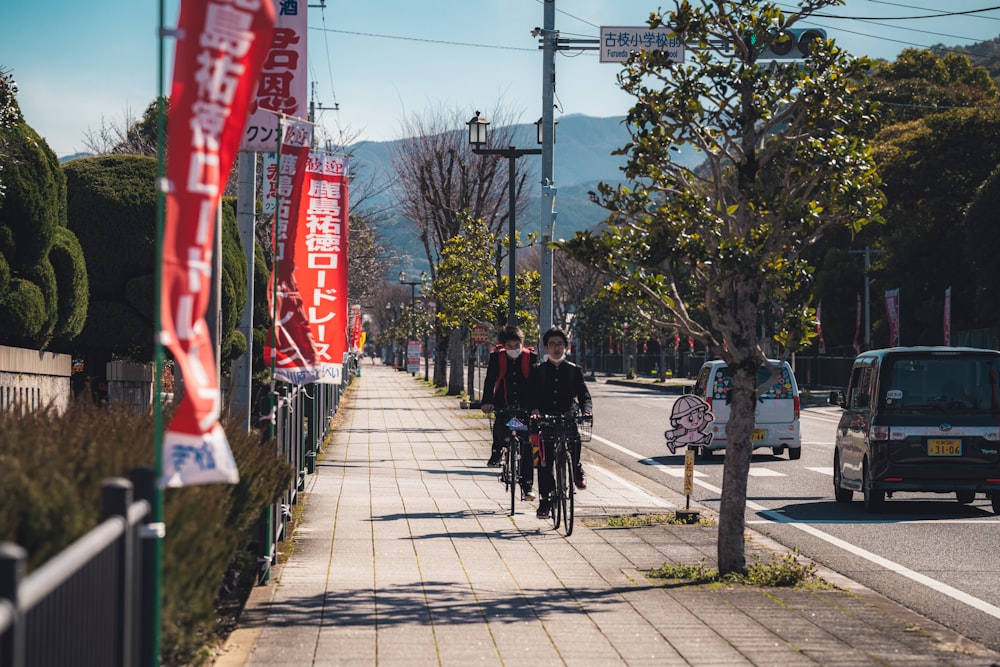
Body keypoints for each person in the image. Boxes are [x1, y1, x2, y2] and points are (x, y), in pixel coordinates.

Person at [531, 327, 592, 519]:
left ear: (566, 347)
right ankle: (545, 501)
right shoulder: (538, 370)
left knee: (574, 440)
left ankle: (576, 467)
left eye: (560, 344)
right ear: (546, 348)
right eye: (552, 344)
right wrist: (534, 410)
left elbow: (584, 395)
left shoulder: (574, 370)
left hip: (568, 414)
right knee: (544, 461)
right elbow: (531, 395)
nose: (556, 348)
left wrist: (586, 410)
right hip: (546, 418)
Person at [480, 325, 538, 501]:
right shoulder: (496, 357)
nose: (513, 349)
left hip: (525, 404)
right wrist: (487, 402)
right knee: (500, 428)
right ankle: (497, 450)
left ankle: (527, 486)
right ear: (503, 345)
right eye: (509, 346)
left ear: (522, 343)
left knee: (526, 444)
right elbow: (490, 379)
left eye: (516, 345)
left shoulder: (531, 357)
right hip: (503, 401)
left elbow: (537, 383)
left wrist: (535, 407)